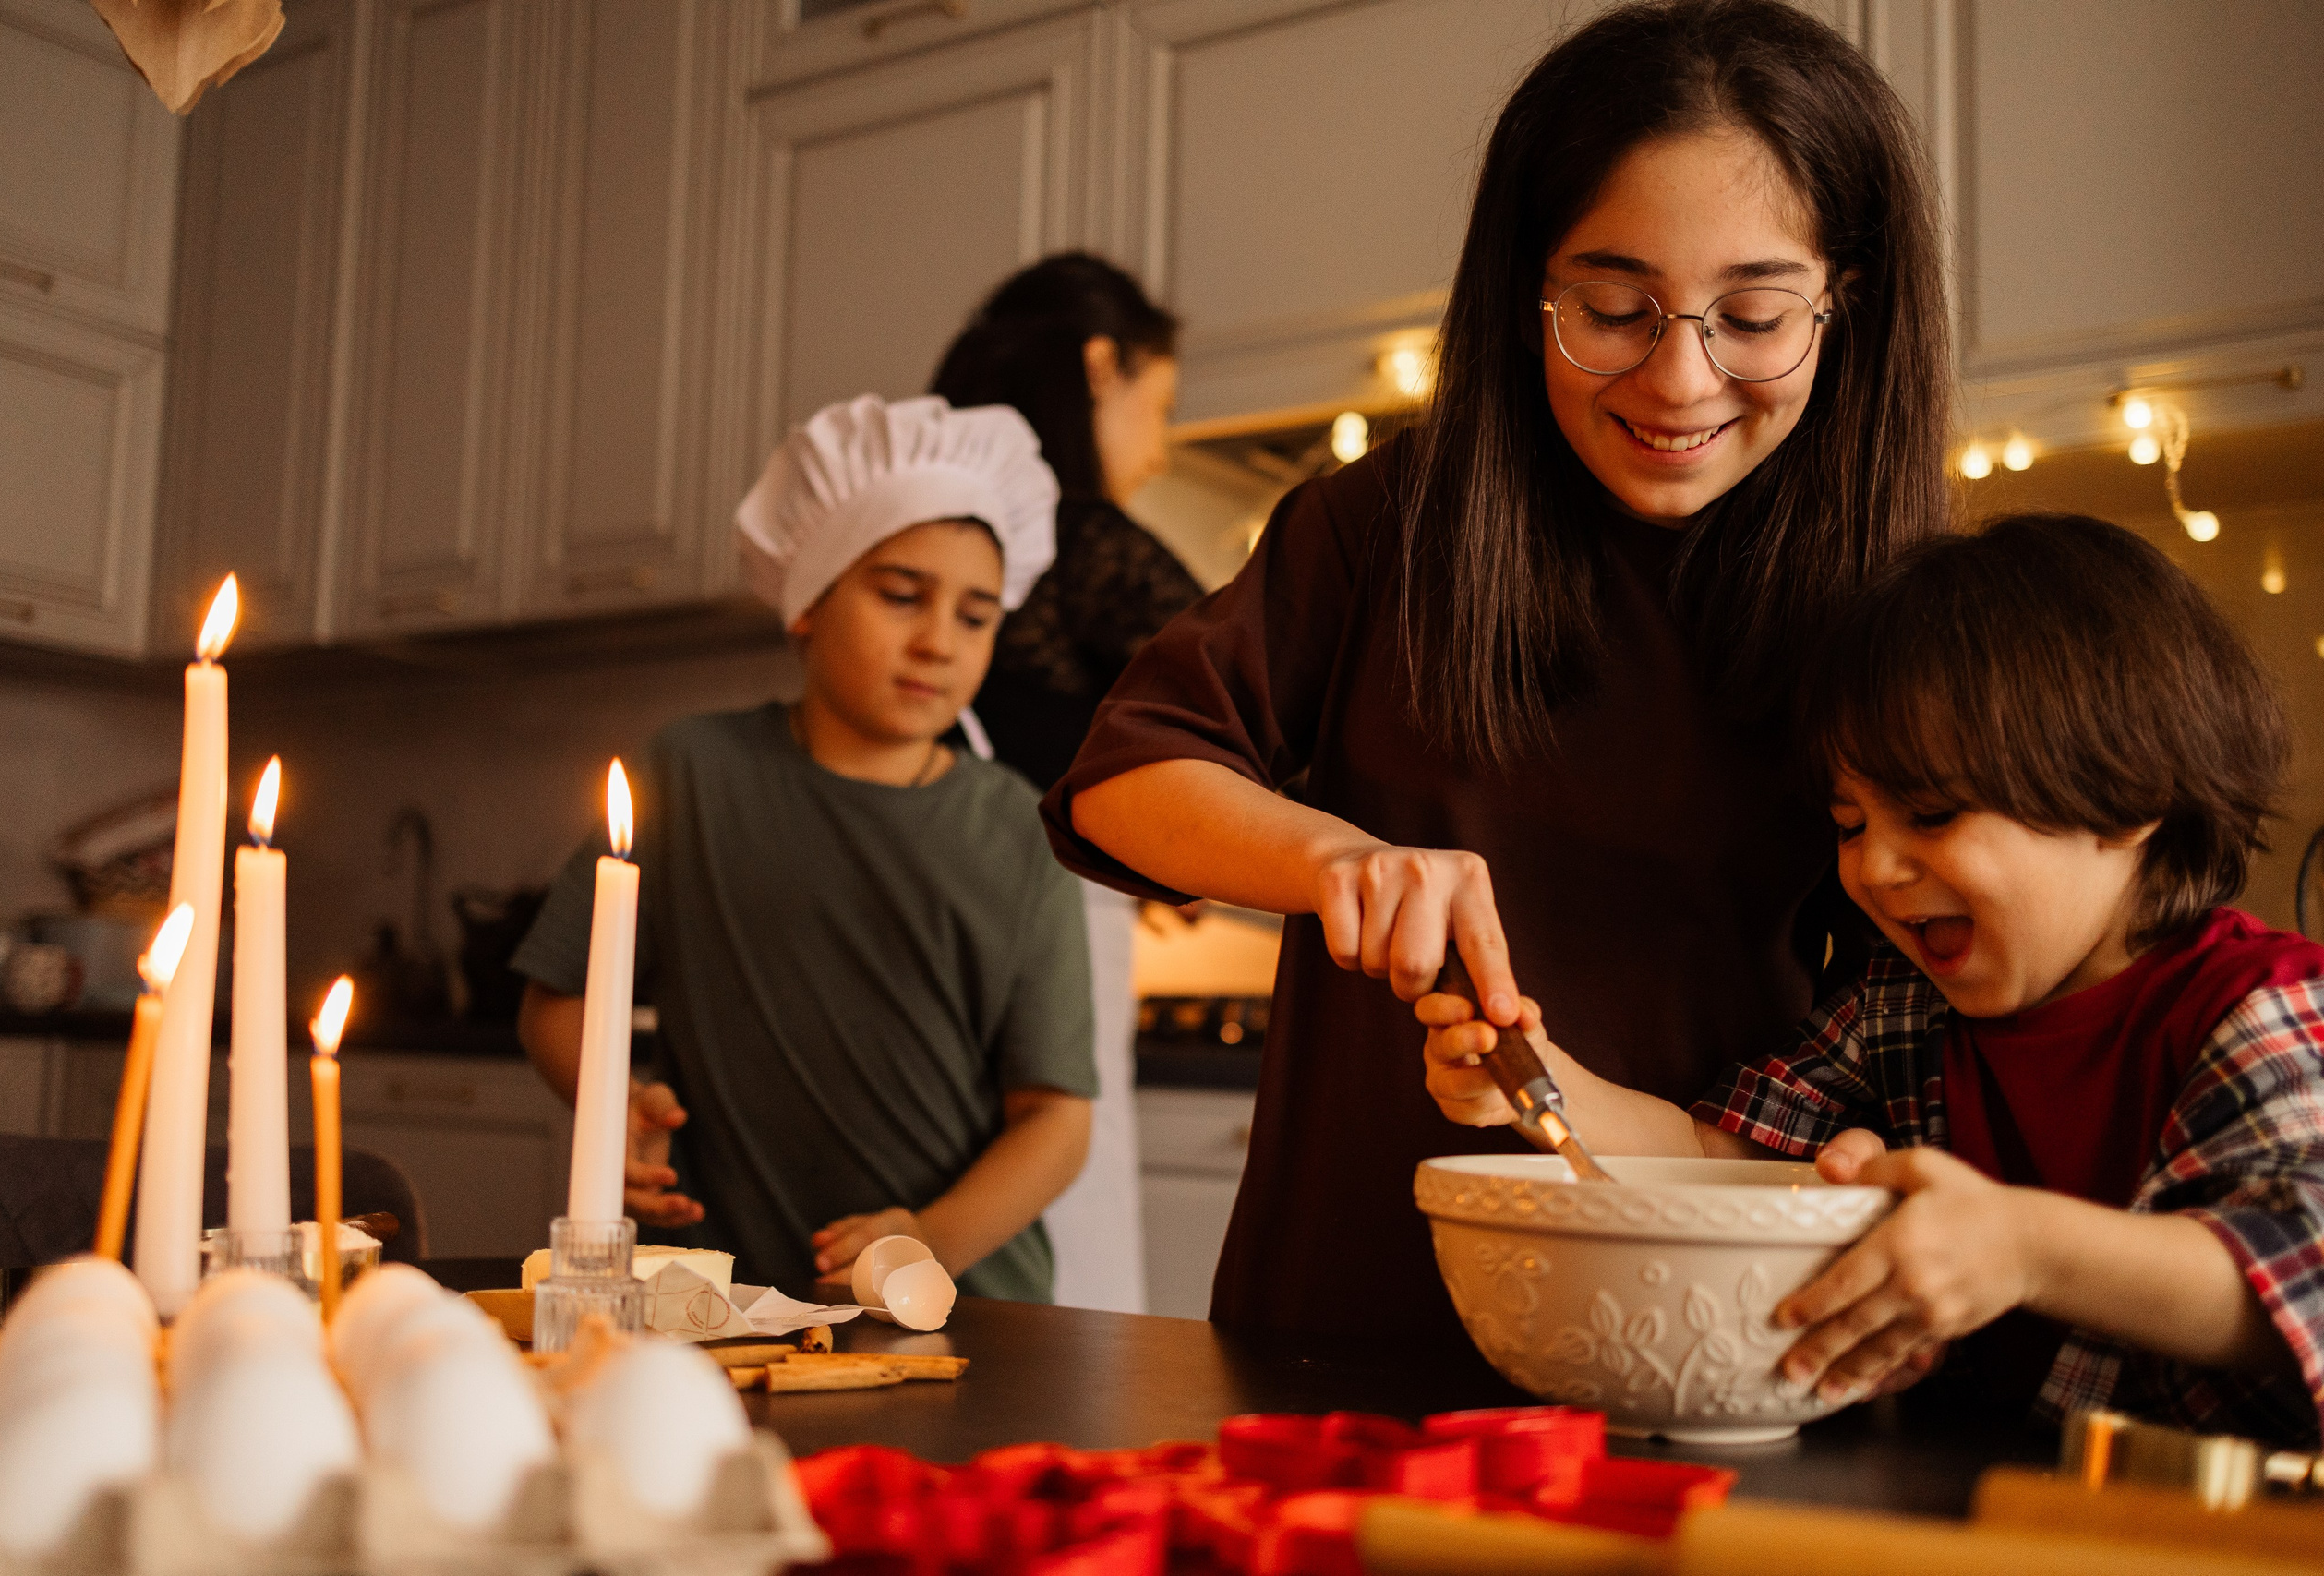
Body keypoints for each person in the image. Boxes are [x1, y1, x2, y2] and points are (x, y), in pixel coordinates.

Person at [1040, 0, 1951, 1342]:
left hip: (1709, 1312)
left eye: (1753, 316)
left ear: (1847, 304)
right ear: (1526, 284)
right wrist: (1339, 862)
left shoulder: (1896, 605)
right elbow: (1121, 778)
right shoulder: (1389, 526)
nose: (1680, 378)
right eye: (1613, 307)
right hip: (1349, 1309)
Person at [1423, 515, 2324, 1444]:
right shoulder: (1899, 1011)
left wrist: (2022, 1248)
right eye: (1851, 825)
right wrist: (1536, 1081)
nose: (1875, 870)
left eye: (1930, 815)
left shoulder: (2258, 1007)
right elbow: (1712, 1156)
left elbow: (2301, 1271)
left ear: (2129, 798)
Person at [513, 394, 1098, 1301]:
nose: (938, 640)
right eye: (901, 595)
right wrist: (613, 1109)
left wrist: (928, 1241)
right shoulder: (690, 772)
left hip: (963, 1309)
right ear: (804, 604)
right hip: (718, 1299)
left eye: (976, 616)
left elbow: (1055, 1118)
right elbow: (556, 1002)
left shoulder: (1020, 831)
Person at [930, 254, 1201, 1313]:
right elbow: (1242, 715)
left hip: (923, 912)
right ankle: (1073, 1454)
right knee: (1068, 1211)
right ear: (1102, 364)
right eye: (1162, 404)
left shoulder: (948, 538)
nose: (1164, 443)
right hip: (1049, 924)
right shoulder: (1091, 547)